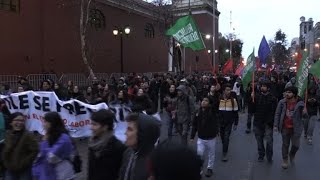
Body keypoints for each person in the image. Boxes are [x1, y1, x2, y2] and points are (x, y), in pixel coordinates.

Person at [32, 112, 75, 180]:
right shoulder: (48, 136)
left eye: (45, 121)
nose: (43, 124)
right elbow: (40, 156)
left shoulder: (64, 137)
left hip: (62, 174)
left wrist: (45, 142)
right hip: (48, 174)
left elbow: (51, 157)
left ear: (52, 123)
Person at [118, 113, 160, 180]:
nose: (125, 133)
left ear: (142, 134)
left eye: (130, 129)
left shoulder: (155, 161)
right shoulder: (128, 153)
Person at [88, 109, 126, 180]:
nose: (91, 128)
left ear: (105, 127)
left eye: (94, 124)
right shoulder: (93, 143)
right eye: (91, 124)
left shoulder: (118, 147)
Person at [274, 86, 305, 169]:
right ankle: (285, 160)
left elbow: (305, 117)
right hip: (285, 127)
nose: (287, 94)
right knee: (285, 144)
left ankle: (292, 154)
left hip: (296, 128)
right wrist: (276, 125)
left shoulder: (301, 103)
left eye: (289, 92)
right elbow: (277, 114)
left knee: (296, 145)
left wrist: (305, 112)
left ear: (294, 94)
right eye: (286, 92)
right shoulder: (282, 102)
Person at [2, 112, 39, 180]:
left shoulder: (28, 135)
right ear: (11, 122)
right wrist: (6, 163)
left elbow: (35, 150)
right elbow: (4, 151)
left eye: (21, 120)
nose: (19, 122)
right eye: (17, 120)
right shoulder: (7, 135)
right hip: (10, 170)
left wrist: (24, 163)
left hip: (24, 170)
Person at [190, 97, 219, 177]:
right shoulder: (198, 112)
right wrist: (192, 137)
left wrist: (215, 92)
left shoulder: (212, 111)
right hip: (201, 138)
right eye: (203, 100)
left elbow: (216, 104)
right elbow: (194, 125)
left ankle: (210, 169)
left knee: (211, 154)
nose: (203, 102)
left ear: (209, 103)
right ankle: (199, 168)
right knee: (199, 154)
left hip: (211, 138)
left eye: (206, 101)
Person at [251, 81, 277, 162]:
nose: (262, 87)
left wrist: (273, 122)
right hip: (257, 122)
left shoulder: (272, 98)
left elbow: (275, 111)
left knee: (269, 141)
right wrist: (251, 99)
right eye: (261, 86)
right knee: (259, 140)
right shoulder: (257, 97)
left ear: (268, 88)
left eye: (264, 86)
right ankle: (261, 155)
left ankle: (269, 156)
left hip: (268, 123)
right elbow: (252, 110)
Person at [218, 83, 239, 162]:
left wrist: (236, 123)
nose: (229, 91)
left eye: (230, 90)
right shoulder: (219, 99)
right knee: (223, 138)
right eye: (227, 90)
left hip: (229, 122)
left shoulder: (233, 101)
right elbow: (216, 111)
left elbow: (236, 113)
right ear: (223, 91)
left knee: (226, 137)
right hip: (221, 122)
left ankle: (224, 153)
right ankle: (225, 145)